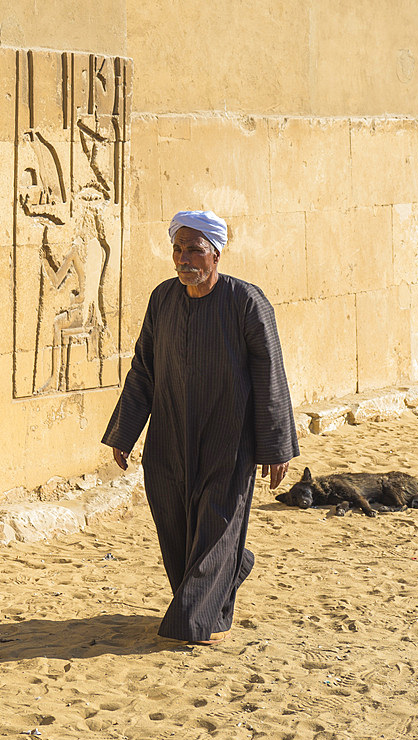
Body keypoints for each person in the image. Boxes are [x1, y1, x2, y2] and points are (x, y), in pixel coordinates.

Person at [102, 209, 299, 645]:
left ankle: (189, 624)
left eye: (195, 249)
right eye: (178, 248)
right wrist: (124, 432)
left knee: (215, 528)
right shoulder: (162, 299)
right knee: (175, 527)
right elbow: (143, 370)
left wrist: (276, 446)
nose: (184, 258)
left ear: (216, 253)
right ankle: (232, 568)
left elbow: (271, 374)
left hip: (227, 441)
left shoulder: (247, 302)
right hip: (168, 438)